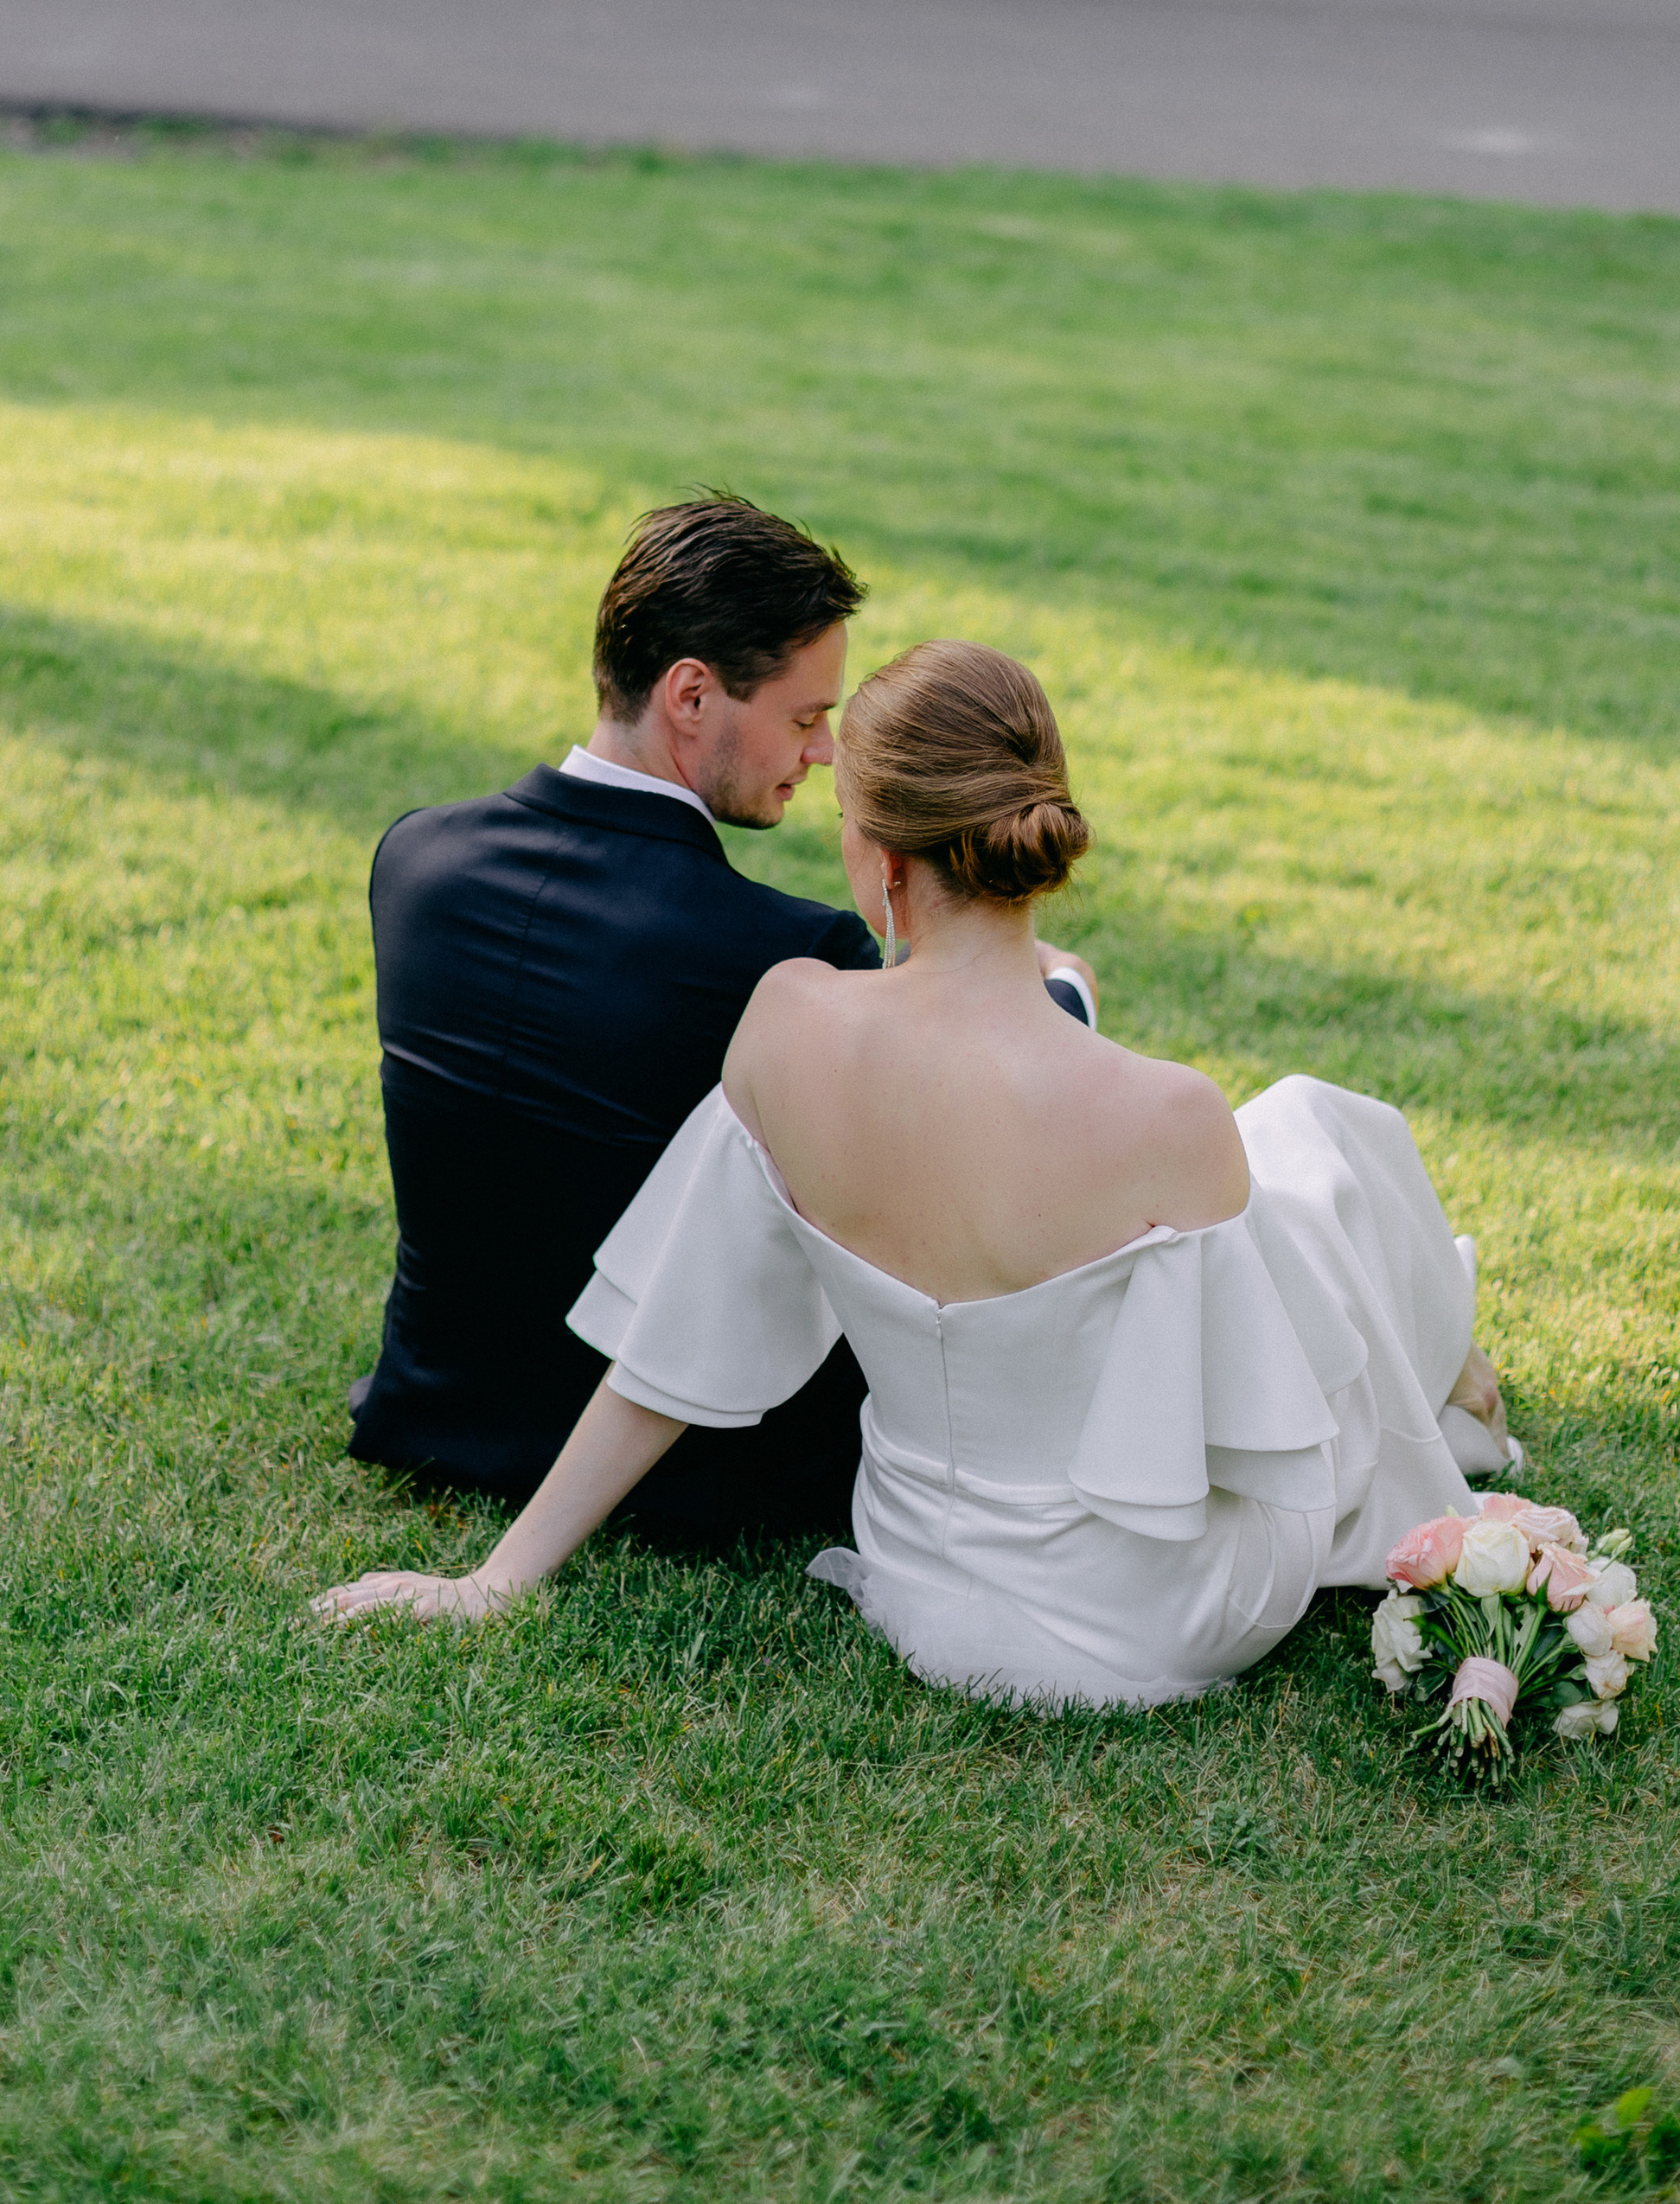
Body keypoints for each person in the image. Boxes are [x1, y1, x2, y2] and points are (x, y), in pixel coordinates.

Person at [318, 640, 1510, 1704]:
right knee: (1317, 1136)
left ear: (883, 860)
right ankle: (1449, 1370)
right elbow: (1254, 1418)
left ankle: (1445, 1365)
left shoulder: (786, 1026)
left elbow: (675, 1344)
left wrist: (495, 1577)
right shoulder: (1168, 1112)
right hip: (1165, 1618)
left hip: (923, 1574)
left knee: (1302, 1157)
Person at [345, 508, 1097, 1546]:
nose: (825, 752)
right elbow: (991, 1105)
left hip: (429, 1415)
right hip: (698, 1477)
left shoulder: (414, 862)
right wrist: (1064, 992)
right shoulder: (787, 955)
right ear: (691, 694)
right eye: (804, 717)